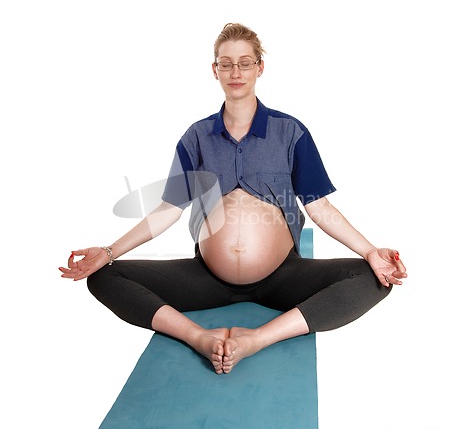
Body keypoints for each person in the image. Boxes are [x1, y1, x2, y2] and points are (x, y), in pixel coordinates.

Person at [59, 23, 407, 375]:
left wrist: (369, 251)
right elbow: (168, 210)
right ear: (215, 70)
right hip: (206, 279)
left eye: (245, 62)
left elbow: (319, 207)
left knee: (372, 278)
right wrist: (107, 252)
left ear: (260, 67)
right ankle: (197, 337)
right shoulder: (196, 137)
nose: (235, 72)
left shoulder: (290, 132)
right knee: (104, 277)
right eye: (226, 64)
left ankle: (258, 339)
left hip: (282, 277)